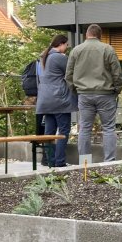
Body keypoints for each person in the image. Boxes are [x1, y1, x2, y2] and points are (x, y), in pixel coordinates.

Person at [65, 24, 122, 162]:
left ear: (87, 34)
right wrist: (117, 90)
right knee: (109, 128)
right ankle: (109, 161)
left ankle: (85, 162)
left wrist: (76, 90)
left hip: (84, 94)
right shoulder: (108, 49)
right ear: (99, 35)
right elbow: (117, 73)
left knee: (85, 128)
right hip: (105, 93)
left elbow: (68, 75)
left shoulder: (76, 50)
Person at [36, 35, 77, 167]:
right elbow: (72, 72)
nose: (66, 48)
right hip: (59, 100)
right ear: (61, 44)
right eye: (66, 45)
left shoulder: (45, 56)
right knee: (63, 131)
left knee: (49, 132)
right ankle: (59, 161)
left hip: (46, 99)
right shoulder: (58, 57)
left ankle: (50, 161)